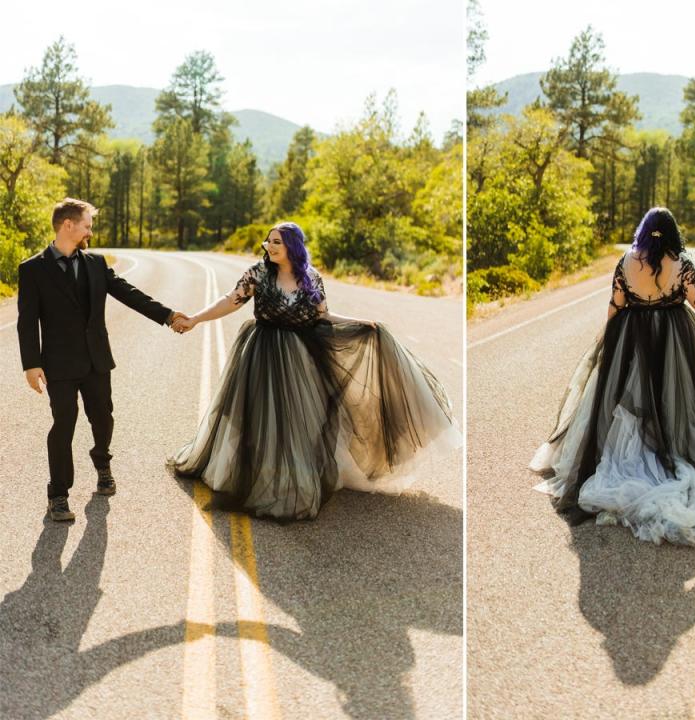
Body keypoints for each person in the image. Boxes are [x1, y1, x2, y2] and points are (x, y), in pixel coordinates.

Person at [168, 222, 461, 520]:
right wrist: (196, 319)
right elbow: (230, 301)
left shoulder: (311, 278)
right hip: (261, 351)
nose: (270, 247)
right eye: (268, 242)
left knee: (298, 420)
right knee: (262, 416)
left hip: (300, 354)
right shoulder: (258, 273)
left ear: (292, 247)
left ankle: (293, 478)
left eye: (277, 243)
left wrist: (363, 324)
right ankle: (256, 474)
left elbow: (325, 316)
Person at [530, 207, 695, 547]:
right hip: (673, 336)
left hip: (632, 335)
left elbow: (617, 303)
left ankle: (638, 452)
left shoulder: (626, 260)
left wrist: (607, 340)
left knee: (630, 399)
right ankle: (669, 448)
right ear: (671, 232)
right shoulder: (681, 262)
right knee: (675, 400)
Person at [17, 198, 186, 522]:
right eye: (87, 225)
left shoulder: (96, 264)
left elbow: (128, 292)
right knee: (63, 425)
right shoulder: (32, 269)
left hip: (97, 360)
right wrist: (31, 363)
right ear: (68, 225)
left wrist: (167, 316)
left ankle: (102, 464)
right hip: (59, 364)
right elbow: (27, 320)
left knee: (103, 419)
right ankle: (58, 494)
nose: (90, 232)